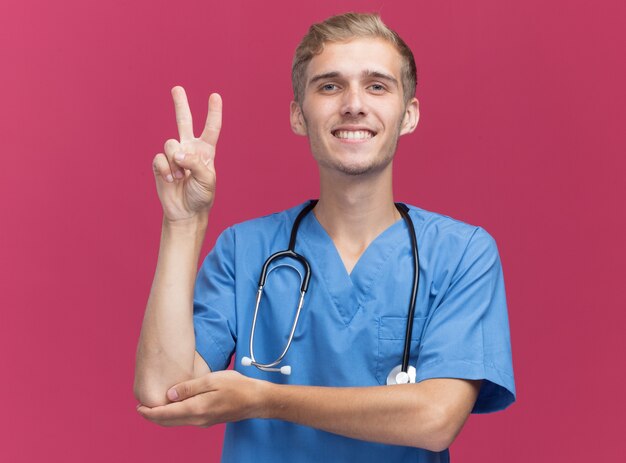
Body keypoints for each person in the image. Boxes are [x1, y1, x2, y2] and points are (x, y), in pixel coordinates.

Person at [134, 12, 515, 462]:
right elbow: (164, 392)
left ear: (408, 115)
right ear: (299, 115)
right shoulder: (244, 251)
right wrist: (182, 223)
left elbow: (435, 420)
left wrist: (265, 398)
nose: (353, 103)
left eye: (377, 85)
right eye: (330, 86)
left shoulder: (461, 254)